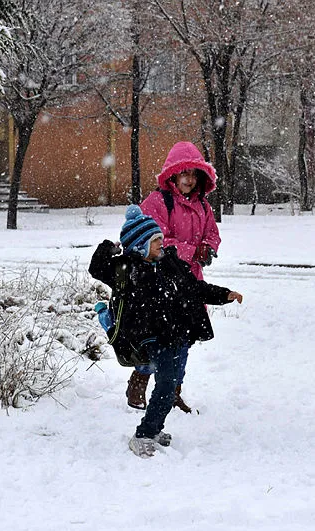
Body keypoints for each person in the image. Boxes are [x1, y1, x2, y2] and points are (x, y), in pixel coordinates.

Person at [89, 206, 242, 458]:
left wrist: (224, 295)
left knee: (169, 386)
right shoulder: (127, 269)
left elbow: (195, 288)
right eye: (155, 240)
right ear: (140, 245)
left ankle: (154, 428)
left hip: (173, 332)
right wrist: (108, 248)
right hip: (148, 337)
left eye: (160, 238)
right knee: (167, 384)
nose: (161, 243)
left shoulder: (170, 264)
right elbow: (97, 268)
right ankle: (143, 434)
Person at [125, 141, 221, 413]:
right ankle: (140, 379)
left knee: (185, 339)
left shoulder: (203, 206)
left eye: (194, 174)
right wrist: (191, 251)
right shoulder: (157, 202)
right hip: (161, 283)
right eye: (184, 173)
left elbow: (212, 233)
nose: (189, 179)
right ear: (173, 175)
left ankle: (172, 392)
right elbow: (154, 241)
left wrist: (209, 247)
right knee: (158, 338)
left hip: (190, 282)